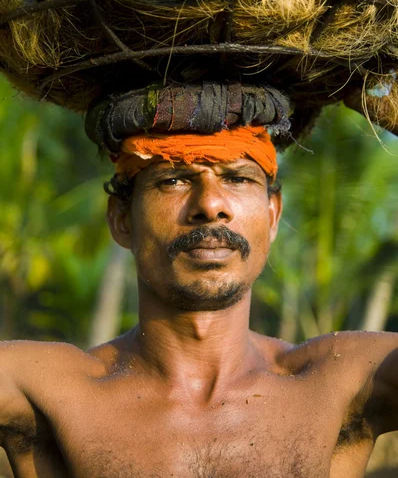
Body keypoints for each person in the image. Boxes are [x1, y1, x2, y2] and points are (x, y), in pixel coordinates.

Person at [1, 104, 397, 478]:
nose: (210, 204)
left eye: (238, 178)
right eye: (173, 179)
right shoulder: (49, 389)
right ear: (122, 218)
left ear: (273, 215)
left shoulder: (339, 381)